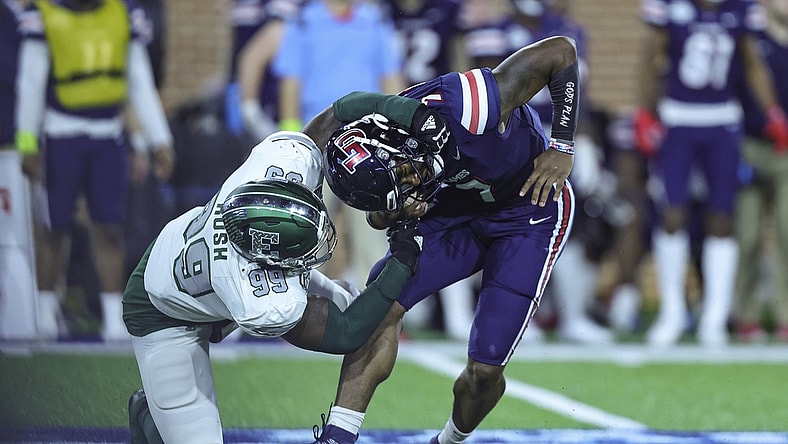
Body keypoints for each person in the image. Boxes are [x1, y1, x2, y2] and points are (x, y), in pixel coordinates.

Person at [302, 35, 580, 444]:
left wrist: (562, 145)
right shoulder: (396, 156)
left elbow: (561, 52)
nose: (406, 183)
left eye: (400, 174)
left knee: (484, 371)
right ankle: (338, 436)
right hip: (459, 204)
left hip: (528, 209)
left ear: (395, 143)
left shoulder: (466, 107)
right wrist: (394, 208)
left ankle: (448, 441)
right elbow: (381, 210)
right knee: (379, 308)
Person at [123, 131, 423, 444]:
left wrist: (370, 111)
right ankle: (147, 414)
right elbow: (347, 333)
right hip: (164, 313)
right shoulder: (268, 301)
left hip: (219, 282)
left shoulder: (279, 165)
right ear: (270, 255)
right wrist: (403, 259)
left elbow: (319, 128)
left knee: (369, 311)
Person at [14, 0, 174, 341]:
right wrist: (27, 143)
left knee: (110, 226)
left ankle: (114, 318)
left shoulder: (123, 14)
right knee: (54, 226)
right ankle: (45, 313)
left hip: (108, 135)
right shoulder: (44, 16)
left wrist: (159, 139)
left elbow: (139, 82)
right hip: (60, 133)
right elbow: (30, 83)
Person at [634, 0, 788, 347]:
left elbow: (753, 65)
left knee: (723, 218)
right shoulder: (670, 8)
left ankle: (714, 318)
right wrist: (645, 111)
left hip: (722, 120)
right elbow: (651, 59)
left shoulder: (741, 9)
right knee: (673, 213)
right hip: (678, 118)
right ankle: (672, 313)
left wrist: (772, 112)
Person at [273, 0, 405, 291]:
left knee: (374, 229)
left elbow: (392, 78)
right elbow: (291, 83)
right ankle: (291, 303)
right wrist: (293, 139)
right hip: (317, 138)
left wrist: (399, 135)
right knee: (303, 225)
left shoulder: (374, 20)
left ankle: (375, 310)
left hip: (368, 142)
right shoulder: (304, 22)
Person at [733, 0, 788, 343]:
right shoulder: (751, 37)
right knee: (748, 234)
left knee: (786, 233)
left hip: (787, 151)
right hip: (751, 145)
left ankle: (784, 315)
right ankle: (746, 314)